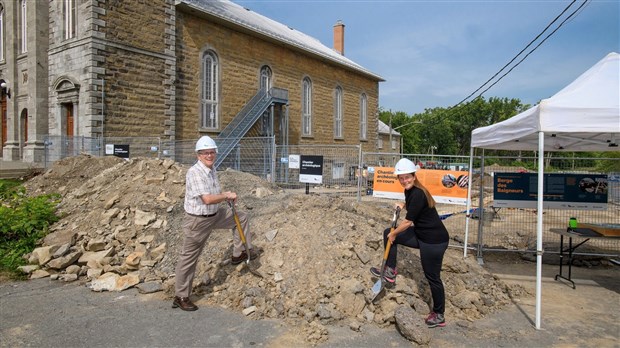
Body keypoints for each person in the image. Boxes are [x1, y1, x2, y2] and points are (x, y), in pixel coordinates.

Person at [173, 135, 258, 311]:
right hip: (198, 221)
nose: (209, 156)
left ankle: (239, 253)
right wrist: (226, 195)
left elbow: (214, 194)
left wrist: (225, 198)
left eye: (212, 152)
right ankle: (181, 296)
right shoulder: (195, 173)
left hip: (214, 215)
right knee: (189, 258)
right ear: (198, 155)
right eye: (205, 153)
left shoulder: (211, 170)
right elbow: (207, 199)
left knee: (240, 217)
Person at [370, 158, 450, 328]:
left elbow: (407, 223)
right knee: (388, 233)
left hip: (434, 241)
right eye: (401, 177)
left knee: (432, 277)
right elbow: (413, 205)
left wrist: (395, 233)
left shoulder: (419, 193)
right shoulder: (411, 191)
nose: (404, 180)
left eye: (407, 177)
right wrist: (402, 204)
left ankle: (439, 314)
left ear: (414, 176)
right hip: (422, 235)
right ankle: (390, 271)